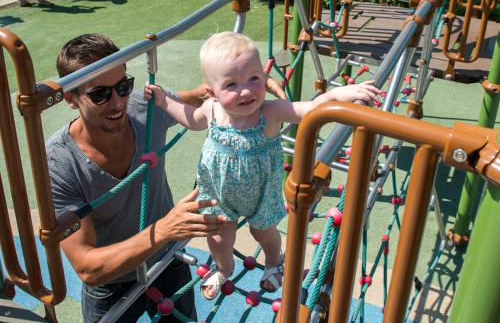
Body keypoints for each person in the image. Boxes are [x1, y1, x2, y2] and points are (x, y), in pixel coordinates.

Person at [144, 31, 381, 299]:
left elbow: (312, 109)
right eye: (231, 84)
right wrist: (165, 101)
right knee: (218, 239)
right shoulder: (211, 109)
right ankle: (223, 269)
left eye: (254, 79)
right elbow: (191, 119)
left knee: (264, 233)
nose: (245, 90)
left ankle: (272, 262)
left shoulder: (270, 112)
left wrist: (339, 93)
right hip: (219, 195)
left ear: (263, 78)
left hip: (261, 194)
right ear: (212, 92)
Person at [46, 33, 231, 323]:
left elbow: (193, 97)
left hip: (168, 261)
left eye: (123, 86)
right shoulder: (60, 164)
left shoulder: (144, 106)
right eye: (100, 94)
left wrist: (240, 88)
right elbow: (87, 267)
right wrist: (165, 229)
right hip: (111, 282)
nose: (118, 102)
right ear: (70, 98)